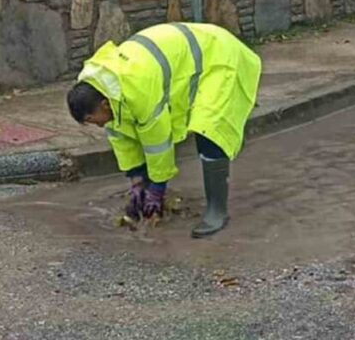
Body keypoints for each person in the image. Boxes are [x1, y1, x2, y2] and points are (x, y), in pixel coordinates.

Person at [67, 22, 261, 237]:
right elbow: (122, 136)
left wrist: (157, 190)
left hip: (218, 56)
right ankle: (220, 161)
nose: (100, 125)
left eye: (94, 120)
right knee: (196, 124)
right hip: (185, 59)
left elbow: (158, 143)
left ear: (104, 105)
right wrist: (137, 180)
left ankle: (217, 211)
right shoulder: (101, 90)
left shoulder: (138, 87)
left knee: (209, 129)